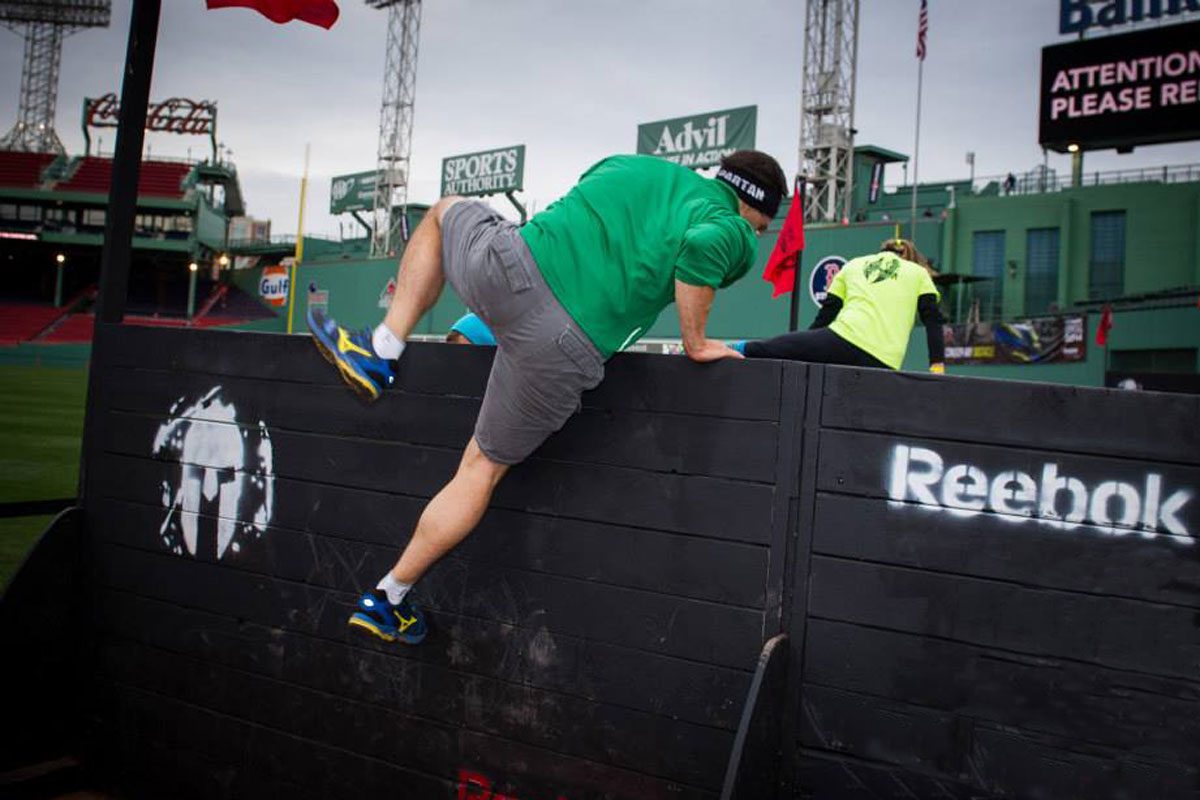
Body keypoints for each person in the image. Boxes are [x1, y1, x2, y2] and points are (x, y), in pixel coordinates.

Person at [307, 150, 787, 644]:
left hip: (513, 269)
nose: (759, 236)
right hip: (563, 346)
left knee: (442, 213)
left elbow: (583, 202)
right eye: (764, 225)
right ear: (756, 207)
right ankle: (387, 595)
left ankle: (382, 348)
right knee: (480, 470)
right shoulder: (732, 228)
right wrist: (698, 342)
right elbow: (702, 246)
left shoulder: (634, 165)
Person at [734, 239, 945, 373]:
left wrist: (806, 349)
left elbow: (826, 316)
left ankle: (734, 349)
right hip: (885, 362)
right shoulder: (919, 273)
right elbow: (933, 322)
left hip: (843, 340)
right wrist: (937, 367)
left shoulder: (854, 264)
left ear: (881, 251)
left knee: (772, 346)